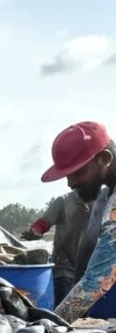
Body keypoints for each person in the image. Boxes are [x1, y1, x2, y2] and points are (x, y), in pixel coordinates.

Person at [39, 121, 116, 322]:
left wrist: (48, 327)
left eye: (78, 172)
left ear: (104, 159)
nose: (70, 183)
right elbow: (87, 255)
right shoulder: (105, 198)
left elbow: (95, 282)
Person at [21, 189, 98, 305]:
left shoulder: (103, 202)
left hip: (89, 269)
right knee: (64, 309)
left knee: (86, 313)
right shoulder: (63, 201)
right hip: (65, 267)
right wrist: (35, 232)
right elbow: (43, 223)